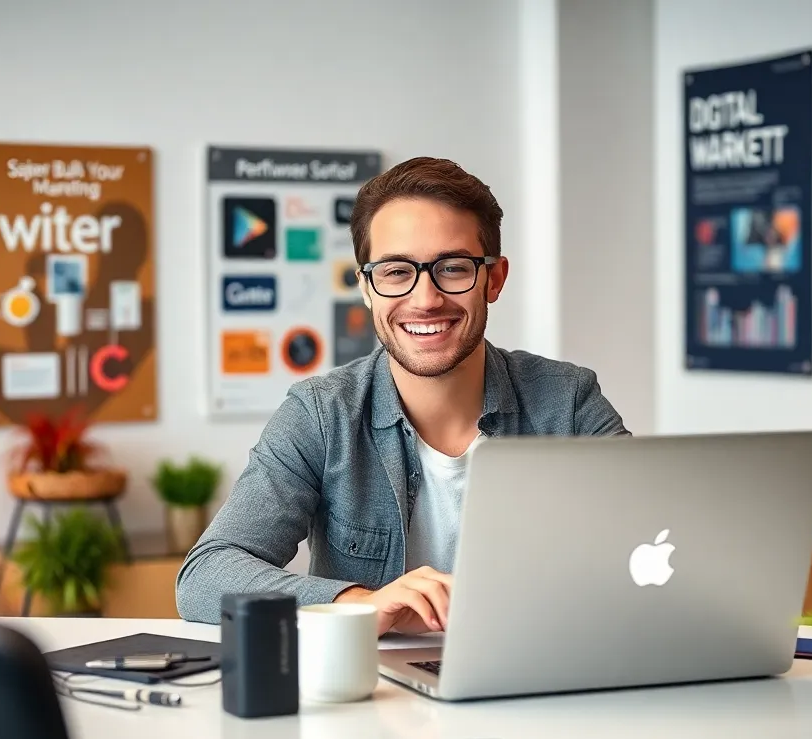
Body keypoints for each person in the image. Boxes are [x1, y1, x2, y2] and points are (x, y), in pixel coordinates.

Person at [175, 157, 629, 635]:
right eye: (396, 272)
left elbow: (646, 542)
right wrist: (360, 603)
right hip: (376, 695)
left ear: (494, 279)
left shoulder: (569, 402)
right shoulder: (321, 414)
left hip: (539, 674)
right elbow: (205, 576)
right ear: (367, 287)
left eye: (452, 268)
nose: (425, 298)